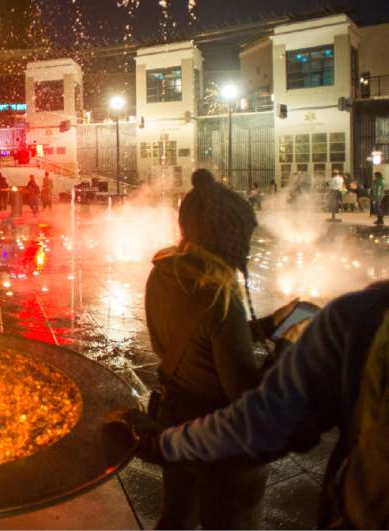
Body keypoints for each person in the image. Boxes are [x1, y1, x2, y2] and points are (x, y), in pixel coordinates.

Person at [118, 280, 389, 530]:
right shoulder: (364, 316)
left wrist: (161, 443)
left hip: (189, 421)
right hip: (208, 434)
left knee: (181, 517)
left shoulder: (365, 315)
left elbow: (268, 421)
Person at [143, 168, 276, 529]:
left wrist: (257, 328)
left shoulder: (163, 272)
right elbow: (242, 393)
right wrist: (283, 362)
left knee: (176, 517)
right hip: (217, 436)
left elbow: (180, 342)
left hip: (174, 418)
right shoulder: (221, 297)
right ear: (227, 239)